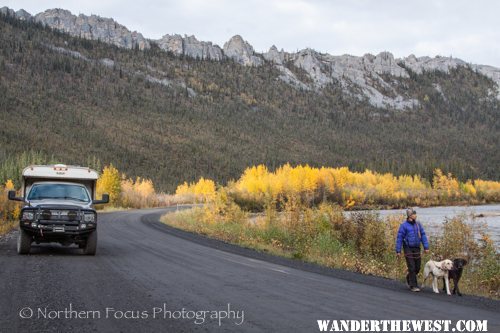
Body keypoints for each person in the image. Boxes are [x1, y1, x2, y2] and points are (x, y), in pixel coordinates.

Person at [395, 208, 429, 292]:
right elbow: (399, 238)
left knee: (417, 267)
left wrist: (426, 247)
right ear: (410, 216)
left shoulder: (418, 224)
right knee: (412, 267)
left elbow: (423, 235)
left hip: (417, 247)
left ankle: (409, 277)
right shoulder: (404, 226)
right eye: (414, 214)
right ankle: (413, 286)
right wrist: (398, 250)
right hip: (408, 248)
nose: (416, 215)